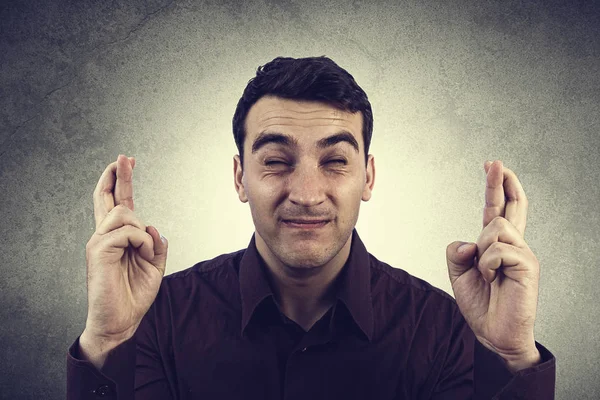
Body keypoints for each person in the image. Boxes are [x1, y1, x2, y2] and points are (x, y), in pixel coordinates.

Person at [66, 56, 555, 399]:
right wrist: (108, 342)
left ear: (368, 177)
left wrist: (510, 357)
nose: (305, 192)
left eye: (335, 161)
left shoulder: (445, 331)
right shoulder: (159, 319)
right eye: (277, 160)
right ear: (241, 178)